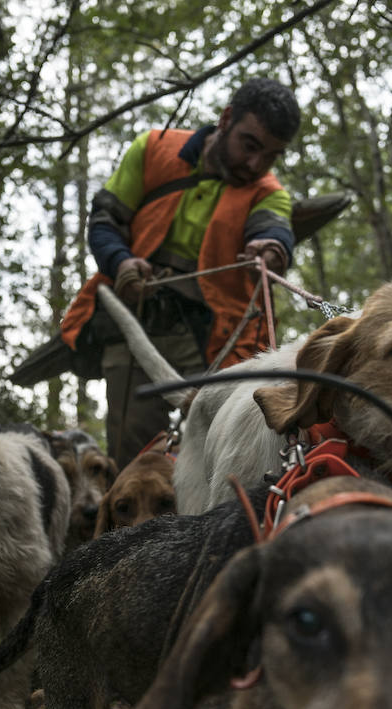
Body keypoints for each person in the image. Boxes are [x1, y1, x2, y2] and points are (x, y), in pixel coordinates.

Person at [61, 78, 300, 465]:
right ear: (225, 120)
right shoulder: (154, 149)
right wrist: (121, 262)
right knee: (132, 451)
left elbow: (274, 230)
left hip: (213, 338)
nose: (256, 165)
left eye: (271, 156)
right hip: (134, 324)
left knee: (221, 445)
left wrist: (271, 249)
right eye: (250, 146)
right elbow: (105, 219)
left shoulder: (269, 192)